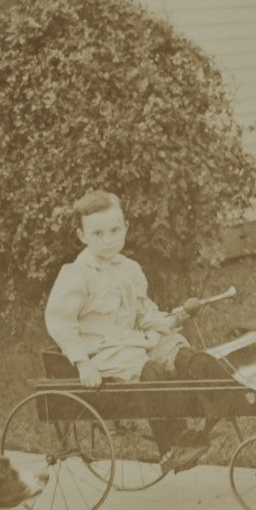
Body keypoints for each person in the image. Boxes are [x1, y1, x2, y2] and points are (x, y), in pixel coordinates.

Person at [44, 190, 227, 474]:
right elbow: (60, 322)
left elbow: (144, 313)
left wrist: (171, 321)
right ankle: (171, 445)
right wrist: (82, 362)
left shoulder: (130, 269)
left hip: (134, 342)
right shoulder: (76, 275)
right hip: (104, 352)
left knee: (177, 350)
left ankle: (210, 406)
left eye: (115, 230)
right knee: (148, 370)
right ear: (82, 236)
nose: (108, 239)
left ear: (126, 228)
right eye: (98, 233)